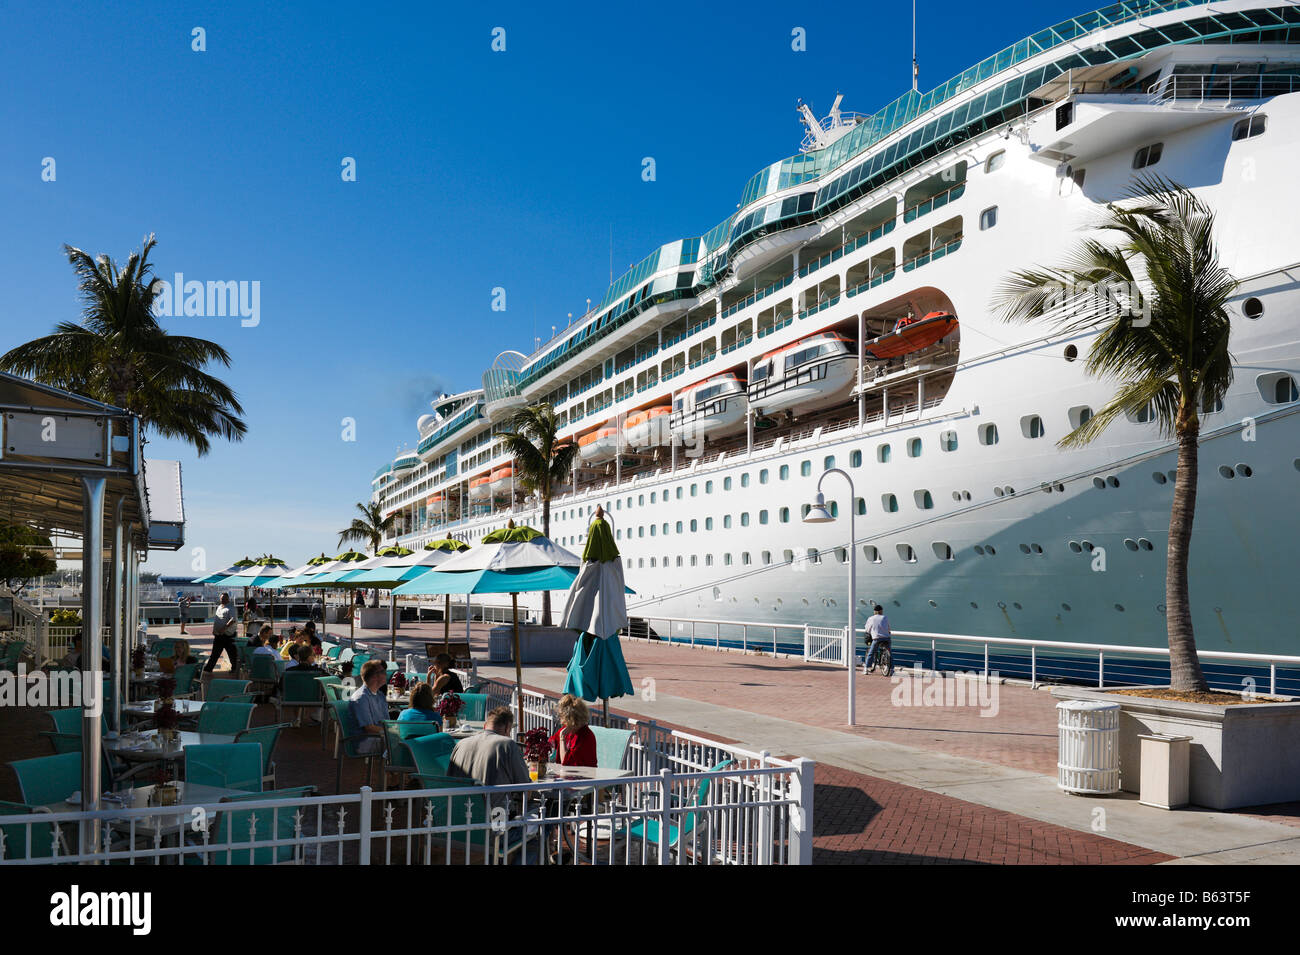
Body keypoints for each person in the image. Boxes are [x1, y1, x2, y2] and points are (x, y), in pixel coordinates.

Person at [448, 706, 529, 786]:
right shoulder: (507, 745)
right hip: (493, 799)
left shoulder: (460, 744)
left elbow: (449, 781)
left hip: (459, 798)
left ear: (485, 726)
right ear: (507, 728)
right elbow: (526, 789)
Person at [348, 659, 390, 755]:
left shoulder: (379, 695)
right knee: (406, 746)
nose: (386, 674)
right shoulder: (361, 698)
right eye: (383, 672)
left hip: (379, 737)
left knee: (410, 741)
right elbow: (369, 728)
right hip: (364, 742)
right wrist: (392, 734)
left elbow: (386, 722)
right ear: (375, 676)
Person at [548, 694, 597, 767]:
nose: (561, 722)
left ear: (571, 719)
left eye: (562, 717)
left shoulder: (586, 737)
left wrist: (562, 739)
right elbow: (550, 743)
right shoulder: (568, 730)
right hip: (569, 775)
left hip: (583, 776)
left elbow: (565, 763)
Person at [204, 593, 240, 673]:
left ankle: (234, 669)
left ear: (228, 599)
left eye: (224, 598)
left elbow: (233, 620)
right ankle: (208, 669)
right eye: (221, 598)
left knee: (232, 654)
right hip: (219, 635)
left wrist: (224, 628)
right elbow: (217, 619)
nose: (222, 600)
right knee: (214, 654)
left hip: (228, 635)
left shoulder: (231, 608)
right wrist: (214, 630)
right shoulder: (219, 607)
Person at [863, 604, 893, 676]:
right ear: (881, 611)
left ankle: (866, 669)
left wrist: (871, 633)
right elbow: (889, 628)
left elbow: (867, 629)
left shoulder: (871, 618)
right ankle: (892, 669)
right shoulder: (885, 617)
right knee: (890, 653)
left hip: (877, 638)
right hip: (887, 638)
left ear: (874, 612)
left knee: (871, 653)